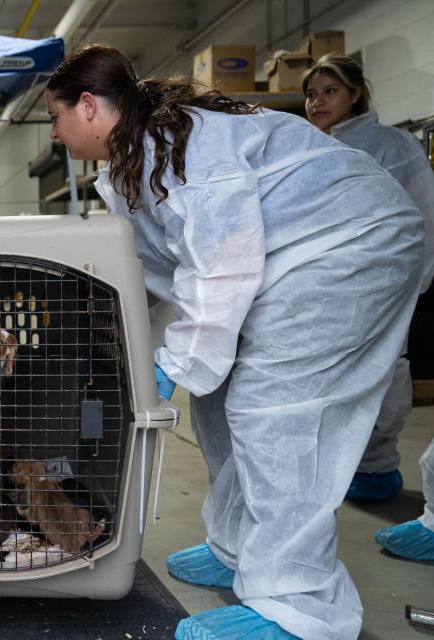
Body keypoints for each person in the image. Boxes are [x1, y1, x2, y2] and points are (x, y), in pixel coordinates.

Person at [45, 44, 424, 640]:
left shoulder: (182, 143)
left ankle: (300, 606)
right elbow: (144, 271)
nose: (55, 134)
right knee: (219, 403)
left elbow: (221, 262)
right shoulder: (130, 163)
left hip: (348, 247)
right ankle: (236, 546)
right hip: (288, 260)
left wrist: (177, 361)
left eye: (55, 117)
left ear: (87, 106)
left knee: (277, 414)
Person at [302, 54, 434, 507]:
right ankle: (340, 466)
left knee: (382, 374)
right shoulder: (307, 146)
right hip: (328, 285)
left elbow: (423, 214)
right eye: (312, 93)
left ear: (355, 93)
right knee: (330, 378)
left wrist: (412, 280)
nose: (317, 102)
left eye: (330, 91)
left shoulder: (390, 145)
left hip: (382, 281)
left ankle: (376, 467)